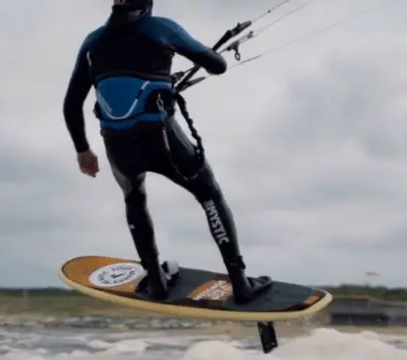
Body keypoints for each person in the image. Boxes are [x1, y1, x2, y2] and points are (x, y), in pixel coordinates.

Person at [62, 0, 271, 304]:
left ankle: (157, 282)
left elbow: (71, 103)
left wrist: (83, 150)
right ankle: (240, 283)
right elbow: (217, 65)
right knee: (209, 193)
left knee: (134, 197)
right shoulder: (161, 28)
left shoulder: (92, 42)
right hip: (160, 139)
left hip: (117, 145)